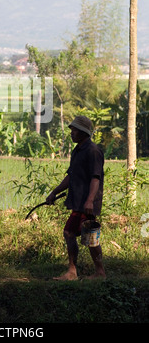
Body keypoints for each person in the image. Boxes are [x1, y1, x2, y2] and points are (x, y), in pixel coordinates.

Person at [46, 115, 106, 280]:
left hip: (86, 203)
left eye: (74, 130)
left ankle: (75, 272)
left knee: (71, 232)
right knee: (88, 236)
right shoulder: (78, 151)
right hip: (79, 202)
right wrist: (54, 192)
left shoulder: (93, 151)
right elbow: (70, 176)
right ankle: (97, 272)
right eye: (71, 129)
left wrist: (90, 200)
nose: (71, 133)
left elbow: (96, 177)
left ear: (83, 132)